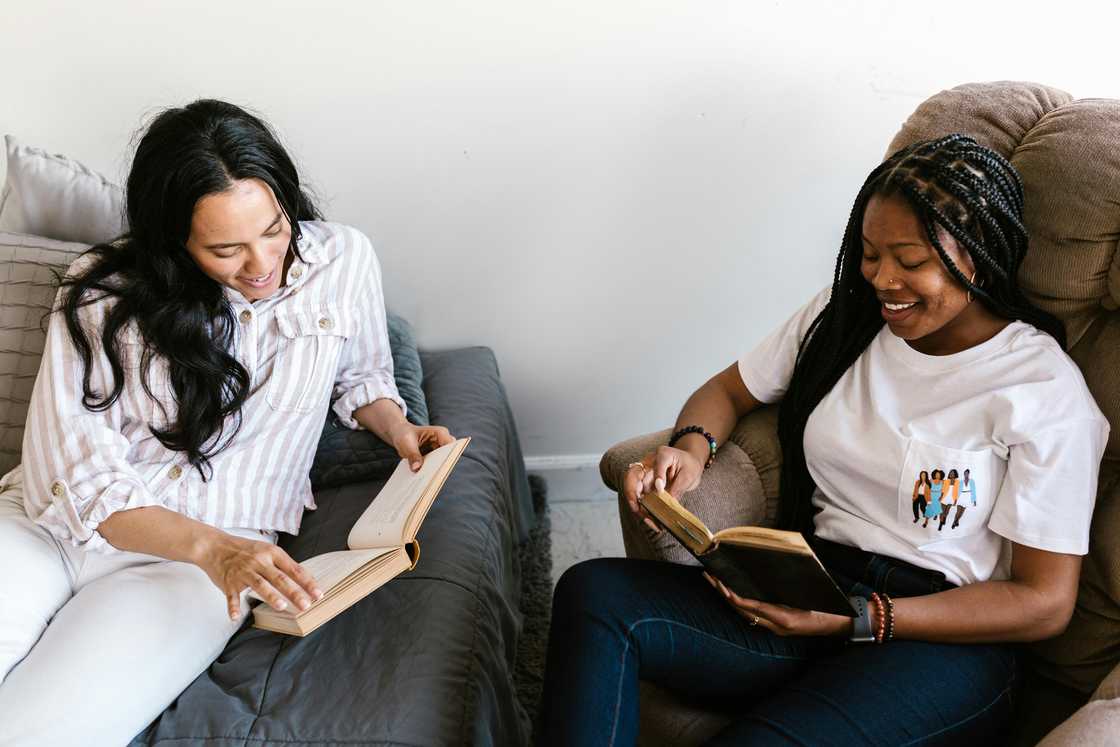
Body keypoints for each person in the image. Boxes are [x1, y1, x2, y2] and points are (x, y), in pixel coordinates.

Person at [538, 135, 1109, 745]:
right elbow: (728, 393)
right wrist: (689, 448)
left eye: (910, 260)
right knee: (594, 594)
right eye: (869, 254)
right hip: (811, 584)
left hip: (942, 639)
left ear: (976, 256)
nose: (882, 279)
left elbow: (1044, 602)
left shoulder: (1041, 390)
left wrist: (862, 620)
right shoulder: (843, 320)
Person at [0, 99, 453, 745]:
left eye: (274, 228)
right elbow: (72, 470)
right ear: (174, 241)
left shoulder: (343, 259)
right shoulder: (100, 289)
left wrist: (397, 427)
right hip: (50, 529)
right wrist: (216, 548)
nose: (262, 262)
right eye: (225, 248)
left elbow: (361, 373)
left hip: (190, 572)